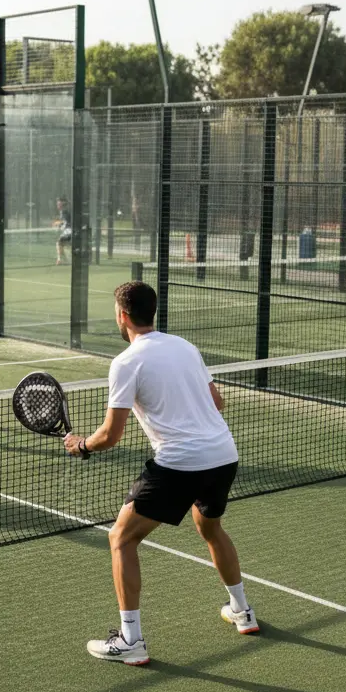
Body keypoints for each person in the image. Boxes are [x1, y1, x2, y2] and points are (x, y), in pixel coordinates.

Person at [65, 280, 254, 666]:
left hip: (179, 463)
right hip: (223, 455)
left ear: (122, 315)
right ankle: (241, 610)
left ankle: (130, 640)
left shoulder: (126, 362)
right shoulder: (185, 347)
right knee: (211, 528)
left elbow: (110, 436)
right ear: (152, 312)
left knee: (121, 538)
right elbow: (217, 402)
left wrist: (81, 445)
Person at [54, 196, 73, 266]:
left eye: (59, 204)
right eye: (57, 204)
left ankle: (61, 260)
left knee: (59, 242)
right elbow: (65, 222)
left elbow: (66, 224)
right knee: (60, 243)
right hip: (70, 231)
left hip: (71, 231)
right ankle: (62, 259)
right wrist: (59, 225)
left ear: (62, 204)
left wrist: (59, 225)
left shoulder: (64, 211)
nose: (57, 205)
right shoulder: (65, 211)